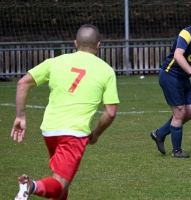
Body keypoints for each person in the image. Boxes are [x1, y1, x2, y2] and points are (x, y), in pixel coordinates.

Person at [11, 24, 120, 199]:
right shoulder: (106, 70)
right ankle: (30, 187)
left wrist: (20, 116)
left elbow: (23, 83)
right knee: (60, 183)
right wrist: (97, 133)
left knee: (60, 182)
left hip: (50, 130)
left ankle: (32, 187)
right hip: (74, 134)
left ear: (75, 43)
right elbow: (111, 112)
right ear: (98, 45)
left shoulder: (56, 61)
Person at [150, 7, 191, 158]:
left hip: (183, 77)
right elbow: (178, 55)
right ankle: (176, 150)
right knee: (180, 112)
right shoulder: (186, 33)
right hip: (170, 75)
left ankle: (159, 134)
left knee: (189, 113)